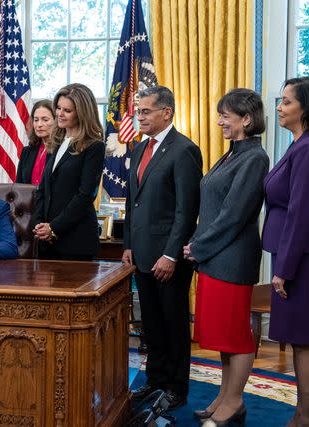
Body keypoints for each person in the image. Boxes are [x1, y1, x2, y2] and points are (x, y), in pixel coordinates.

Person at [182, 89, 269, 425]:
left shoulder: (254, 158)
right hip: (216, 256)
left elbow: (234, 215)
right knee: (222, 332)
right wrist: (199, 244)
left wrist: (198, 246)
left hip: (233, 258)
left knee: (236, 334)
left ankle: (234, 402)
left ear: (246, 119)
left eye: (225, 115)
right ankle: (224, 395)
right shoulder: (233, 153)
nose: (219, 121)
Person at [123, 85, 203, 409]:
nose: (138, 116)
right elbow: (133, 202)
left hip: (168, 256)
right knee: (151, 326)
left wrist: (171, 254)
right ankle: (155, 381)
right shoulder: (141, 149)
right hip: (140, 254)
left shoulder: (184, 150)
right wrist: (127, 244)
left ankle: (176, 389)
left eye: (145, 111)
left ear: (165, 113)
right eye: (137, 111)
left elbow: (187, 209)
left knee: (172, 325)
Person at [262, 76, 309, 427]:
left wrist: (284, 268)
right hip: (294, 257)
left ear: (305, 107)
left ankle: (307, 418)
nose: (279, 108)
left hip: (303, 262)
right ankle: (303, 415)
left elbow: (301, 212)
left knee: (304, 341)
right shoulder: (298, 145)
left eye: (285, 101)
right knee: (300, 341)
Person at [30, 83, 105, 260]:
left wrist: (54, 228)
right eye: (58, 108)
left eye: (67, 110)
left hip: (76, 242)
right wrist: (39, 224)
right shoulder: (56, 142)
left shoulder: (95, 146)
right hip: (46, 242)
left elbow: (85, 195)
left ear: (82, 113)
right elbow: (43, 189)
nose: (59, 114)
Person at [16, 99, 54, 185]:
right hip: (26, 198)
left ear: (56, 121)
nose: (39, 124)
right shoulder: (26, 151)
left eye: (45, 120)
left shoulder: (61, 151)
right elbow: (18, 185)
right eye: (36, 120)